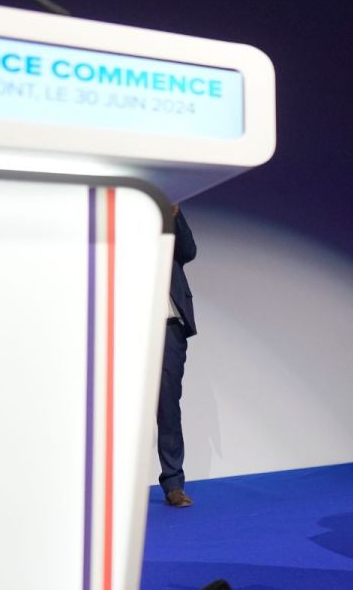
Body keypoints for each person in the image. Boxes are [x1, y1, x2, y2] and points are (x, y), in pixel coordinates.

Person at [160, 204, 196, 507]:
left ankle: (173, 484)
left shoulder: (165, 226)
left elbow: (189, 250)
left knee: (168, 408)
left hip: (169, 329)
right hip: (126, 331)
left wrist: (174, 215)